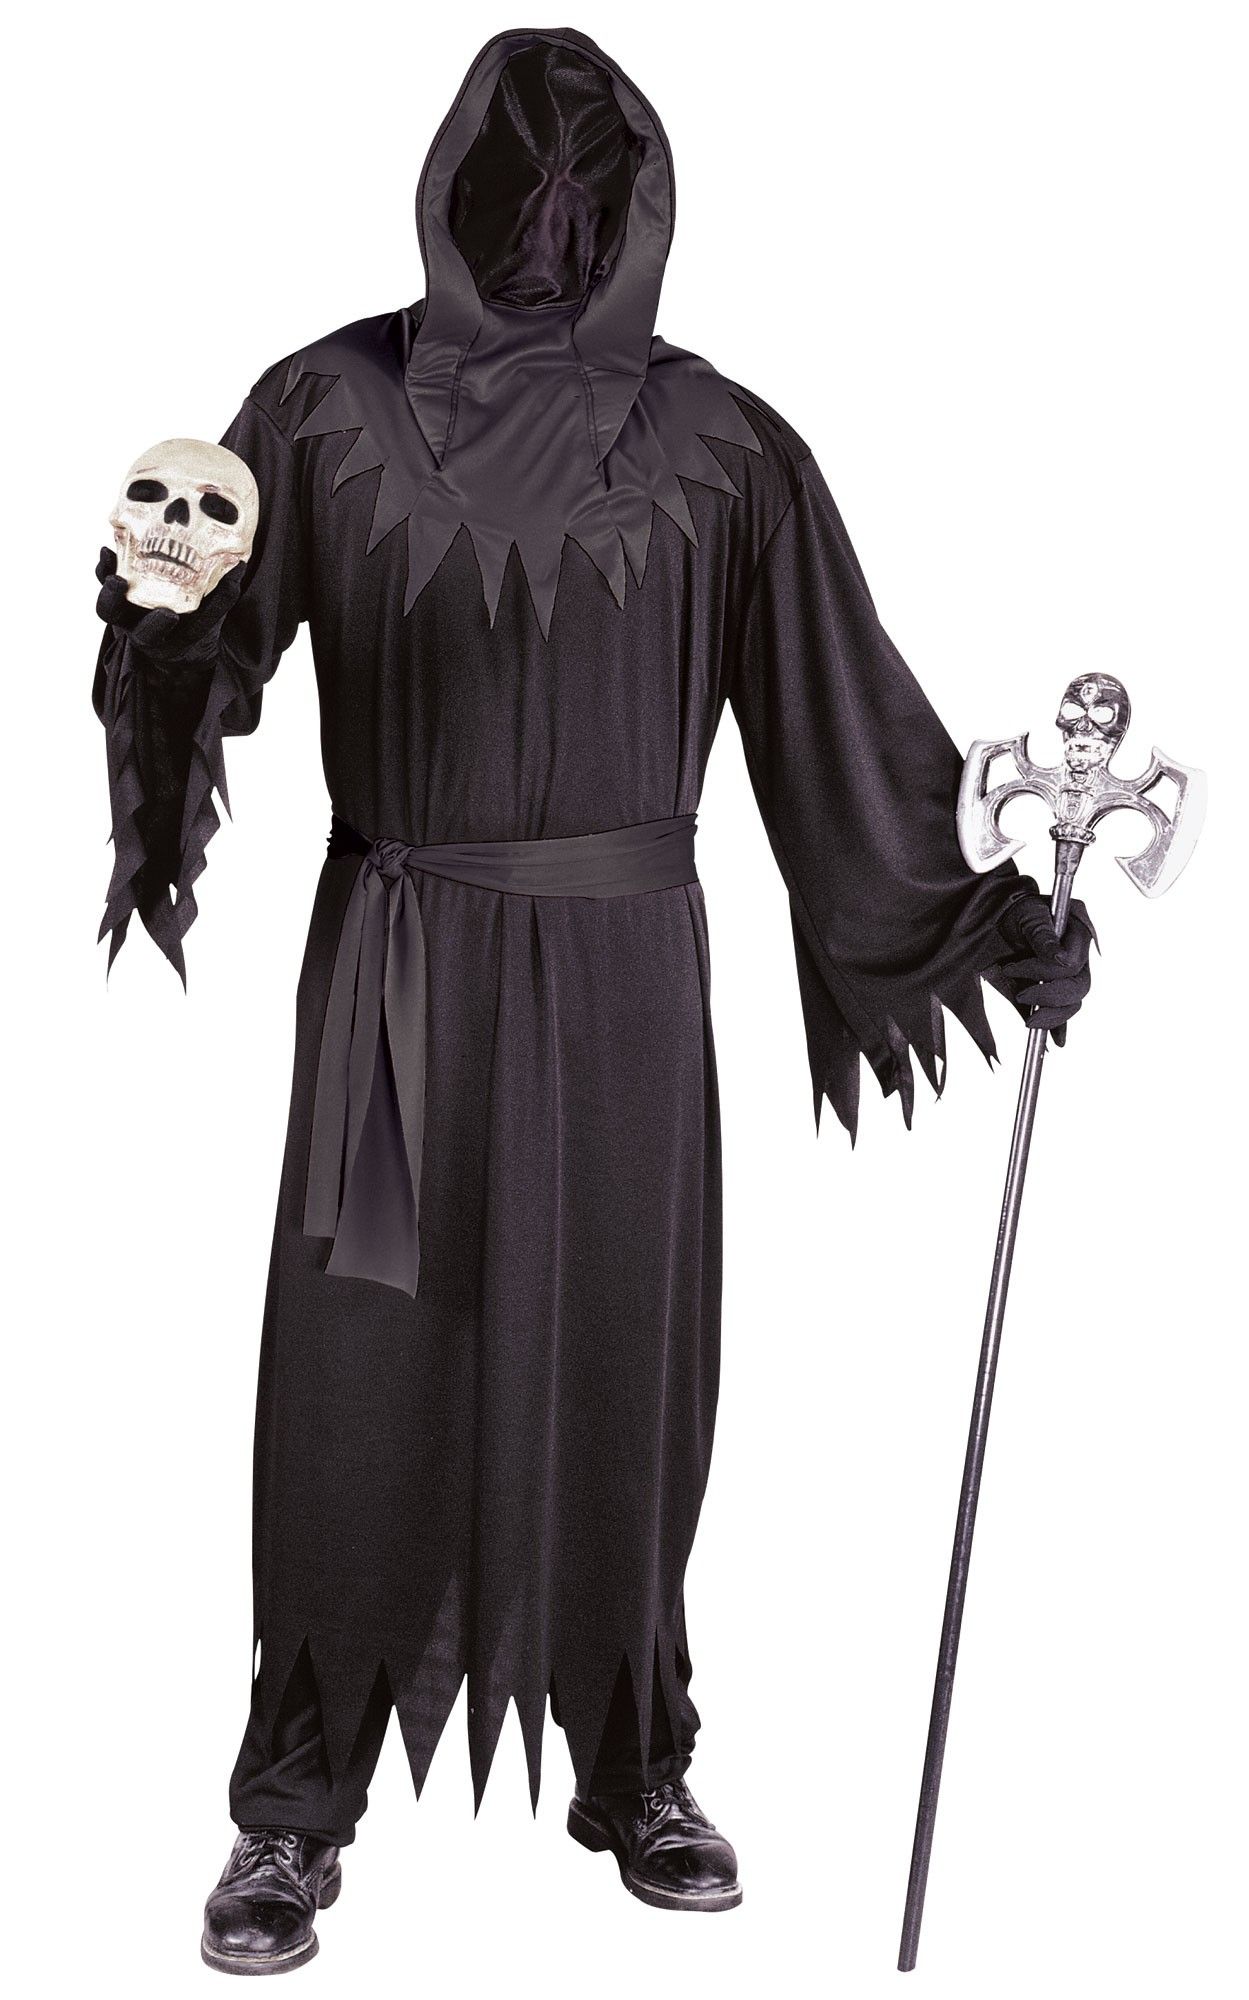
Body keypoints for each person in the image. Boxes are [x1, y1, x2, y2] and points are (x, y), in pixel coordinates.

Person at [93, 26, 1092, 1977]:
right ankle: (292, 1807)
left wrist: (982, 917)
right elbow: (206, 660)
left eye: (582, 187)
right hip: (396, 966)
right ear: (449, 186)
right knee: (356, 1375)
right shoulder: (321, 409)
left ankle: (636, 1762)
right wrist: (158, 622)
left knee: (621, 1355)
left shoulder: (722, 446)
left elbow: (836, 726)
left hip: (623, 978)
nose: (545, 220)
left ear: (637, 205)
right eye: (513, 180)